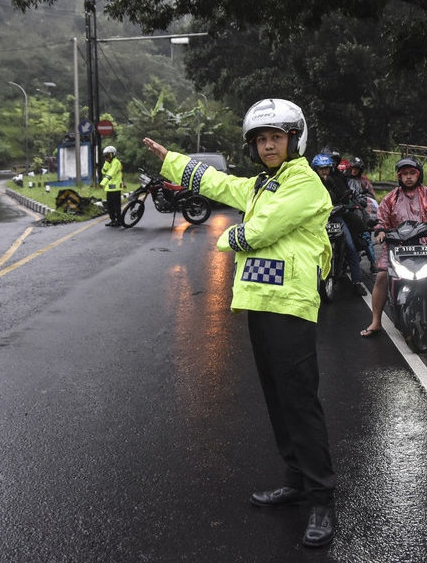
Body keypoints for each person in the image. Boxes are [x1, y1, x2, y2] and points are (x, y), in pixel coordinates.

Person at [142, 98, 337, 548]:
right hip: (263, 302)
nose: (268, 146)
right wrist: (171, 160)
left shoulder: (304, 183)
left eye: (276, 137)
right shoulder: (263, 184)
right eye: (261, 140)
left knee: (301, 401)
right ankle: (295, 479)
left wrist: (228, 238)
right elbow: (219, 183)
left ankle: (322, 497)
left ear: (294, 139)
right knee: (276, 398)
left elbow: (261, 230)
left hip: (291, 306)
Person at [360, 157, 427, 339]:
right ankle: (376, 321)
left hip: (423, 245)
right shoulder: (391, 197)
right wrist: (380, 231)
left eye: (412, 174)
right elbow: (381, 218)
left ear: (418, 175)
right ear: (400, 177)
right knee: (382, 277)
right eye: (405, 174)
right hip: (396, 245)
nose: (408, 177)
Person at [312, 153, 367, 296]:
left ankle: (357, 281)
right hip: (316, 220)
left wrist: (346, 202)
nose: (324, 171)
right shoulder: (309, 183)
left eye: (326, 168)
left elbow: (345, 195)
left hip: (336, 217)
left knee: (350, 246)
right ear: (315, 169)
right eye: (321, 169)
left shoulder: (337, 179)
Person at [100, 146, 125, 226]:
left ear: (113, 154)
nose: (107, 157)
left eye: (108, 155)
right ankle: (113, 220)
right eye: (106, 156)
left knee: (116, 206)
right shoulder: (108, 162)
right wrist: (106, 162)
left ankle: (119, 220)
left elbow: (111, 173)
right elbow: (104, 172)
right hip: (109, 188)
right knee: (109, 205)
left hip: (116, 187)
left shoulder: (116, 162)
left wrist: (103, 183)